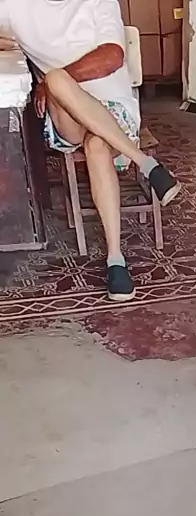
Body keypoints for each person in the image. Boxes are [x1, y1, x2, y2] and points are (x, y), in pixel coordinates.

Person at [0, 0, 181, 301]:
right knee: (56, 79)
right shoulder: (15, 5)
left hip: (113, 111)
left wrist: (54, 81)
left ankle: (116, 260)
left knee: (95, 143)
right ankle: (147, 164)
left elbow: (112, 56)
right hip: (66, 115)